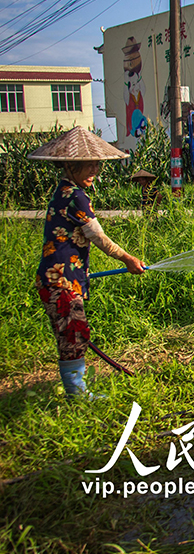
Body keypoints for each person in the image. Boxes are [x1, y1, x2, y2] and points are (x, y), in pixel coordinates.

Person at [28, 127, 146, 399]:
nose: (94, 170)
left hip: (62, 278)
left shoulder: (64, 190)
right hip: (60, 280)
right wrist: (128, 259)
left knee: (73, 333)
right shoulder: (75, 196)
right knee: (73, 333)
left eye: (97, 164)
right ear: (71, 165)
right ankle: (77, 395)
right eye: (88, 164)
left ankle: (76, 391)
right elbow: (98, 237)